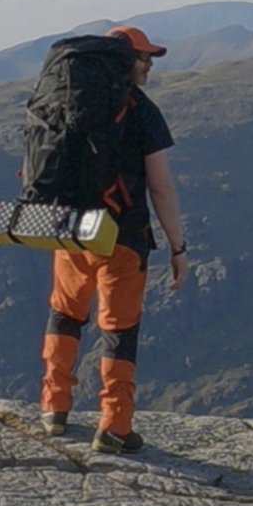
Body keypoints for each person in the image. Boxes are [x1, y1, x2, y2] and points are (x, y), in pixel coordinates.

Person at [39, 24, 189, 454]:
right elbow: (161, 186)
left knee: (65, 314)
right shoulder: (141, 110)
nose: (149, 66)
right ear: (128, 60)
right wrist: (178, 247)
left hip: (70, 229)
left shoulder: (70, 100)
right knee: (119, 329)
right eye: (145, 58)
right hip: (123, 235)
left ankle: (54, 409)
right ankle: (115, 426)